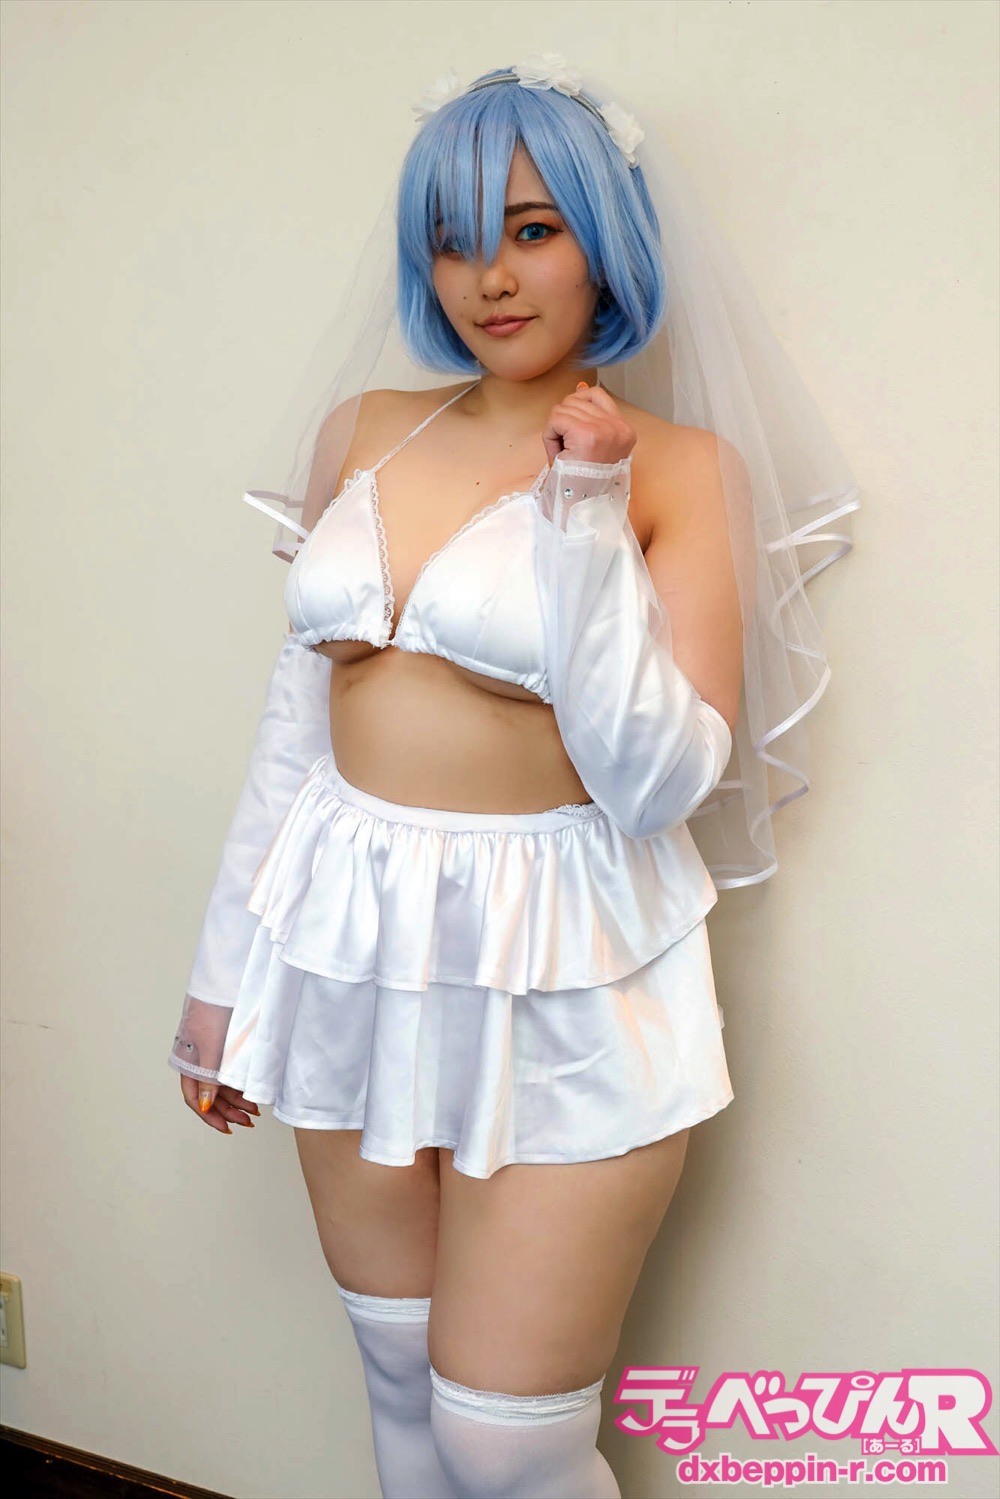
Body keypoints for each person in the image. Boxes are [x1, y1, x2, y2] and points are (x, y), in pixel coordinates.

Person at [168, 57, 859, 1499]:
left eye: (533, 229)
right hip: (348, 950)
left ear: (606, 241)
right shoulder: (365, 430)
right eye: (454, 237)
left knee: (506, 1443)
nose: (489, 275)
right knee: (397, 1378)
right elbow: (297, 729)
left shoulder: (680, 470)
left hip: (565, 971)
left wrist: (584, 513)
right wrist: (221, 985)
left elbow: (661, 780)